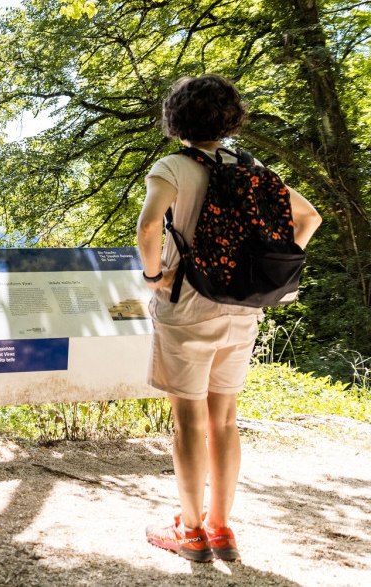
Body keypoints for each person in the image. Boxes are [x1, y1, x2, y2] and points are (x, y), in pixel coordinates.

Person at [136, 75, 322, 563]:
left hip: (189, 306)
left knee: (189, 420)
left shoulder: (173, 166)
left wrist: (155, 274)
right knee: (225, 419)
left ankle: (191, 532)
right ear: (230, 118)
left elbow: (150, 224)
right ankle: (221, 528)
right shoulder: (252, 167)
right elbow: (310, 218)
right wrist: (267, 271)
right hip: (242, 307)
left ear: (176, 119)